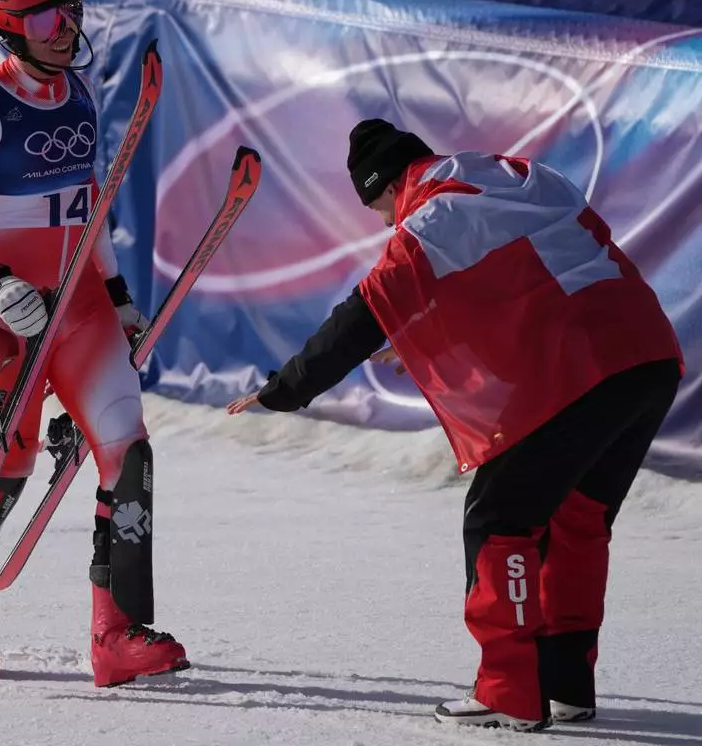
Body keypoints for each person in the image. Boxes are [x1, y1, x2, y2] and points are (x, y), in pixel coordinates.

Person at [227, 119, 683, 730]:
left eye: (381, 210)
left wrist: (283, 391)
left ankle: (509, 692)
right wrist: (419, 329)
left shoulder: (431, 216)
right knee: (576, 517)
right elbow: (542, 264)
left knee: (499, 520)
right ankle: (566, 685)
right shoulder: (517, 174)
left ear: (386, 186)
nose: (388, 224)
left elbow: (358, 317)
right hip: (646, 354)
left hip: (580, 369)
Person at [0, 0, 189, 686]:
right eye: (45, 19)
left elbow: (89, 208)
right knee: (6, 463)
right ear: (10, 30)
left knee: (129, 453)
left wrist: (121, 294)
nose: (65, 30)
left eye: (72, 11)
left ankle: (118, 634)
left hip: (82, 307)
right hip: (6, 317)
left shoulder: (79, 91)